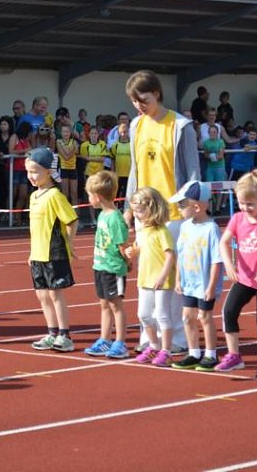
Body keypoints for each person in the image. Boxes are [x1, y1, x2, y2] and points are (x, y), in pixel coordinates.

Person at [124, 70, 199, 354]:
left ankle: (177, 339)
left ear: (156, 93)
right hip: (146, 215)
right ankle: (149, 337)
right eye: (133, 101)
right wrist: (129, 208)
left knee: (169, 279)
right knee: (146, 275)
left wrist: (192, 205)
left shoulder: (180, 126)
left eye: (142, 99)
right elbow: (134, 168)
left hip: (175, 215)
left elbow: (192, 171)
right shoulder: (135, 126)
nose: (139, 106)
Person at [216, 171, 257, 379]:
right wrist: (229, 263)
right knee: (228, 312)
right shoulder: (237, 219)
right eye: (242, 203)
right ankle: (234, 355)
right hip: (244, 278)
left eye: (250, 204)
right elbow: (224, 242)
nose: (246, 208)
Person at [26, 147, 78, 353]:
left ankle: (65, 335)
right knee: (42, 296)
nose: (31, 176)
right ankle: (52, 332)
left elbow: (71, 220)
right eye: (28, 172)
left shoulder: (55, 195)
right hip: (38, 254)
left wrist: (69, 243)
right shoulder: (34, 196)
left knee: (56, 295)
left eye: (35, 171)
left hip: (53, 252)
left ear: (48, 171)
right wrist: (31, 252)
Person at [169, 181, 224, 371]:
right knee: (187, 317)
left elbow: (217, 260)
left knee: (205, 317)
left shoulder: (211, 229)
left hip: (204, 283)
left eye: (182, 205)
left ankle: (210, 354)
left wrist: (211, 286)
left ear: (197, 206)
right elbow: (180, 254)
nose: (179, 208)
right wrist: (178, 279)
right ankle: (193, 352)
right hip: (188, 282)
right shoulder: (185, 227)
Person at [83, 171, 131, 359]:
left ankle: (120, 342)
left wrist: (127, 262)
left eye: (89, 195)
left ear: (98, 196)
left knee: (115, 305)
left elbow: (122, 245)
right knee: (104, 304)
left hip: (113, 268)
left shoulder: (115, 218)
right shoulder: (103, 214)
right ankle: (105, 339)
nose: (88, 199)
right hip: (101, 266)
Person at [128, 187, 177, 367]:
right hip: (145, 279)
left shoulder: (162, 231)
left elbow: (170, 255)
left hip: (161, 280)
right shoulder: (142, 231)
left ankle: (166, 351)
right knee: (144, 315)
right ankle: (153, 346)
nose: (137, 215)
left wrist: (163, 276)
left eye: (139, 211)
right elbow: (139, 247)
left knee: (162, 315)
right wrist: (131, 251)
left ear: (152, 208)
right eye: (134, 211)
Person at [56, 124, 79, 206]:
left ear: (70, 133)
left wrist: (67, 149)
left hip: (73, 169)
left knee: (74, 193)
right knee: (65, 193)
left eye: (67, 132)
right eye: (64, 132)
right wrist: (71, 150)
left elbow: (72, 152)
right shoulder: (58, 141)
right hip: (63, 169)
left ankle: (76, 214)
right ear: (61, 133)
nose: (66, 134)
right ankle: (65, 216)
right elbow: (66, 157)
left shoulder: (74, 142)